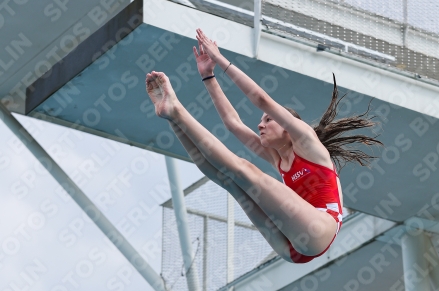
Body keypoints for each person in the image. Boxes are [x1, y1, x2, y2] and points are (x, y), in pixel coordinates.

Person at [145, 28, 382, 264]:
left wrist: (219, 59)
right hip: (291, 247)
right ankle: (173, 117)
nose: (260, 125)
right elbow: (233, 123)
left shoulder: (308, 142)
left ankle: (176, 110)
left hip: (320, 230)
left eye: (268, 120)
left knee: (246, 172)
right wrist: (208, 76)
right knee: (228, 180)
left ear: (290, 128)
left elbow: (262, 99)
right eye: (260, 121)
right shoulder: (277, 156)